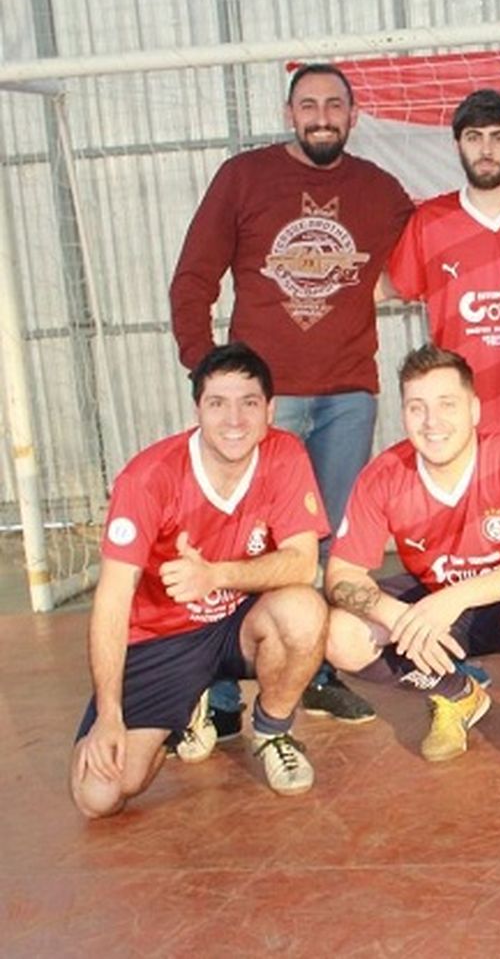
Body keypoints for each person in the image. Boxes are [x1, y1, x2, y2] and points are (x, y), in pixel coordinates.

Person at [169, 62, 405, 736]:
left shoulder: (380, 191)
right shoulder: (244, 178)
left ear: (354, 116)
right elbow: (192, 277)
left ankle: (316, 670)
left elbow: (440, 238)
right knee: (242, 540)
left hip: (346, 397)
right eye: (309, 104)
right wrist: (208, 372)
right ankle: (218, 681)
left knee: (328, 548)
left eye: (335, 104)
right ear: (289, 112)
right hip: (261, 406)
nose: (322, 114)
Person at [71, 344, 328, 817]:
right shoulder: (148, 479)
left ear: (270, 410)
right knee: (100, 797)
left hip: (236, 623)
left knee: (304, 610)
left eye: (249, 402)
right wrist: (110, 715)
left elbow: (301, 563)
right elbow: (110, 601)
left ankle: (271, 731)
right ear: (197, 410)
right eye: (217, 403)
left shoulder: (284, 454)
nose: (234, 419)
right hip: (161, 638)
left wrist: (215, 575)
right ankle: (184, 708)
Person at [322, 346, 500, 763]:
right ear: (402, 413)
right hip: (436, 602)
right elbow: (341, 574)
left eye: (447, 405)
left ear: (474, 410)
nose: (432, 422)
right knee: (341, 635)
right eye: (416, 408)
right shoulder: (384, 475)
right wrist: (400, 619)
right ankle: (455, 694)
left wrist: (456, 596)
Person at [381, 89, 500, 501]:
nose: (486, 150)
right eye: (474, 137)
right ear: (458, 144)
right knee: (471, 556)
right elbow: (385, 289)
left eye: (498, 137)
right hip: (459, 426)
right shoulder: (431, 221)